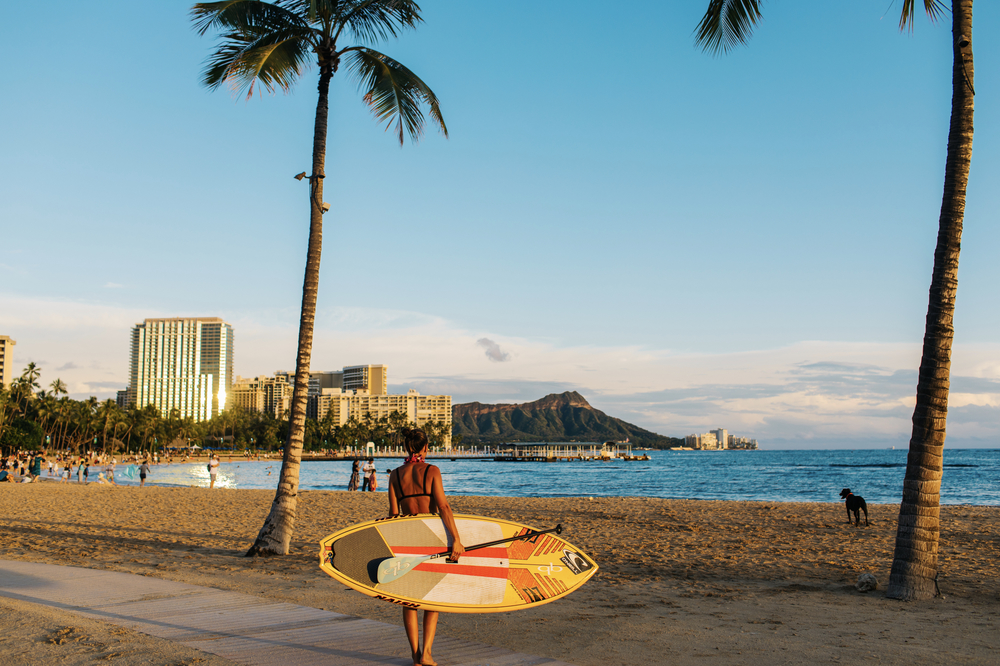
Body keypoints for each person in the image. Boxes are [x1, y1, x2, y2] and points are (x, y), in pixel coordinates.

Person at [387, 428, 465, 666]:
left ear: (406, 448)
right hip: (431, 538)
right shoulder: (432, 471)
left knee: (408, 600)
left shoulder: (395, 475)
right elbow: (443, 508)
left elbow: (393, 514)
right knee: (433, 597)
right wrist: (456, 540)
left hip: (407, 539)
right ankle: (427, 653)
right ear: (425, 448)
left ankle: (415, 654)